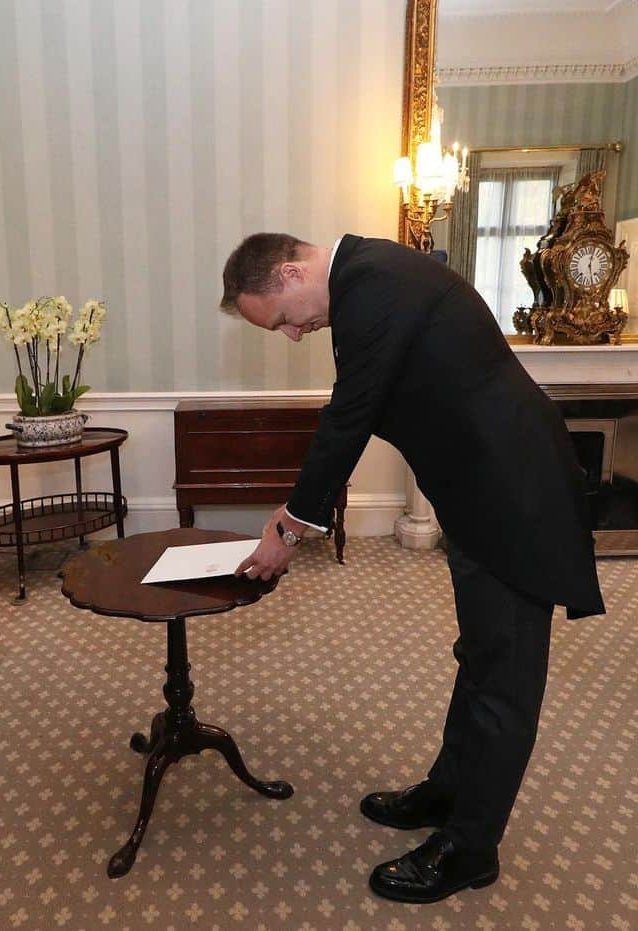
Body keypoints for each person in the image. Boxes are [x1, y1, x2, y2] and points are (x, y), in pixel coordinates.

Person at [221, 233, 603, 904]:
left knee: (504, 677)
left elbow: (350, 414)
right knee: (481, 656)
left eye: (281, 317)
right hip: (481, 493)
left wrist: (290, 525)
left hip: (517, 494)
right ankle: (448, 790)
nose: (291, 334)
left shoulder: (374, 282)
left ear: (290, 270)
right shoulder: (370, 281)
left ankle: (470, 848)